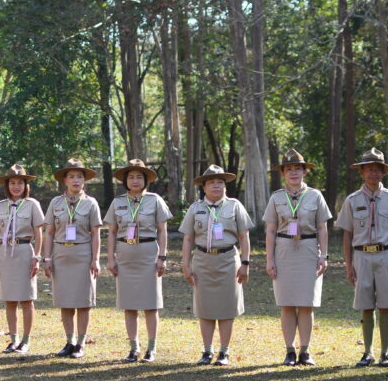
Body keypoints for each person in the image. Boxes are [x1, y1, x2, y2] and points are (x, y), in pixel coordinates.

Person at [336, 148, 388, 367]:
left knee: (386, 305)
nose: (373, 173)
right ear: (362, 172)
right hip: (362, 256)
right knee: (366, 304)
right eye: (369, 169)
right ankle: (367, 352)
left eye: (378, 169)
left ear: (383, 172)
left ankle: (385, 353)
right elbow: (347, 234)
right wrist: (348, 266)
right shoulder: (352, 200)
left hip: (386, 254)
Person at [264, 149, 332, 366]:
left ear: (304, 171)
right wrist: (269, 259)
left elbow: (322, 228)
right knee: (286, 304)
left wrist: (323, 255)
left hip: (308, 249)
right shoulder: (276, 197)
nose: (293, 172)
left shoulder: (315, 195)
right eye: (289, 169)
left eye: (297, 168)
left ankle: (305, 350)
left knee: (306, 303)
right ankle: (289, 350)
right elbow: (270, 230)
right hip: (284, 250)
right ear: (283, 173)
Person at [179, 165, 252, 365]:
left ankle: (224, 352)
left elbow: (244, 236)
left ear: (225, 186)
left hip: (228, 260)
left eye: (220, 182)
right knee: (205, 308)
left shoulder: (234, 206)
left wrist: (245, 263)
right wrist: (186, 264)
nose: (216, 186)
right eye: (211, 182)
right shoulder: (195, 208)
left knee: (227, 308)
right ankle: (207, 351)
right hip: (202, 261)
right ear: (204, 187)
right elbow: (188, 239)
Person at [104, 159, 172, 362]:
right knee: (129, 304)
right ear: (125, 180)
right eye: (131, 177)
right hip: (125, 254)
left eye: (139, 177)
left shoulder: (155, 200)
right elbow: (112, 232)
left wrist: (162, 257)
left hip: (148, 253)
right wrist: (110, 258)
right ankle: (134, 348)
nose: (135, 181)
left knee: (151, 304)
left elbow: (162, 231)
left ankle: (151, 348)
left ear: (145, 180)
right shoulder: (118, 202)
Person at [41, 158, 102, 359]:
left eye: (79, 177)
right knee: (65, 300)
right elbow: (49, 232)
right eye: (71, 176)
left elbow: (96, 234)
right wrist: (46, 258)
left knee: (84, 301)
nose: (76, 180)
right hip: (61, 254)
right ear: (65, 180)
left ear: (84, 180)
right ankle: (69, 341)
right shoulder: (56, 203)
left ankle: (81, 343)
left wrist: (95, 259)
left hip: (83, 254)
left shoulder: (90, 203)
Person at [0, 164, 45, 354]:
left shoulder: (32, 204)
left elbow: (39, 232)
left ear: (26, 185)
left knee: (27, 299)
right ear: (7, 185)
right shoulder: (0, 206)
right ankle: (13, 340)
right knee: (10, 299)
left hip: (24, 251)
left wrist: (37, 257)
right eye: (12, 183)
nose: (16, 186)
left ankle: (25, 340)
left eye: (20, 183)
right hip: (5, 253)